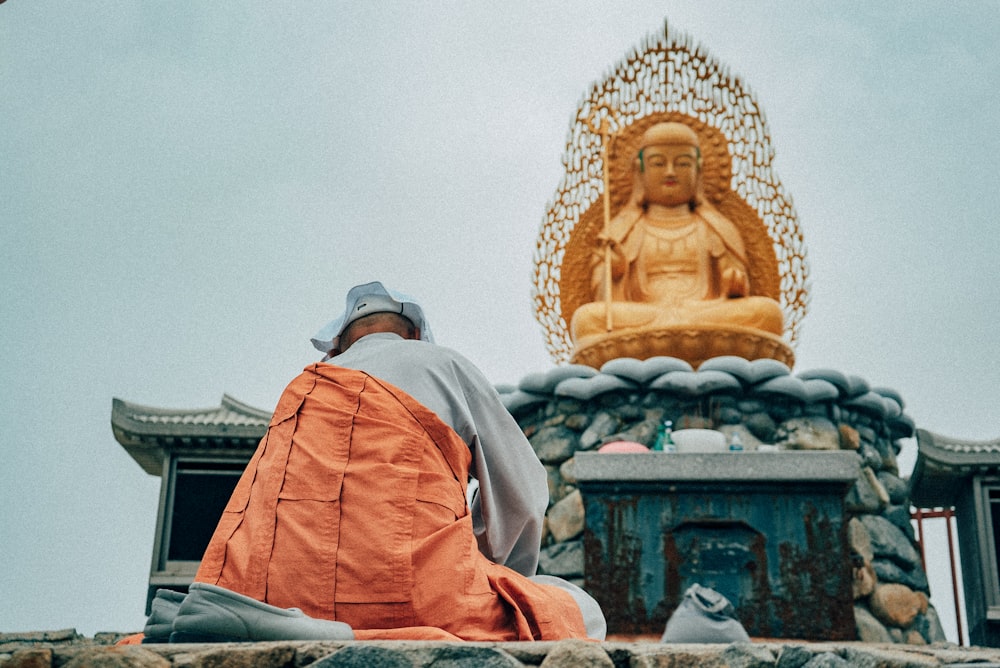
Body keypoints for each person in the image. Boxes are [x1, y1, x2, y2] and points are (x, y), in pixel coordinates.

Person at [160, 281, 604, 643]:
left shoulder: (303, 389)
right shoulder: (441, 363)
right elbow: (524, 496)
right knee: (578, 610)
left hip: (264, 593)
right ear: (414, 335)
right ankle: (348, 630)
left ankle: (294, 622)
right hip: (409, 593)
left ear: (337, 348)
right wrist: (492, 568)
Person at [570, 121, 784, 344]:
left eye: (682, 163)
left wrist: (735, 285)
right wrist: (614, 274)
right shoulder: (621, 231)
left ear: (698, 170)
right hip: (644, 316)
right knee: (587, 320)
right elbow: (603, 300)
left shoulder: (716, 227)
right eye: (658, 163)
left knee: (767, 314)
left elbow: (737, 284)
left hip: (705, 314)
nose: (670, 172)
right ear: (639, 171)